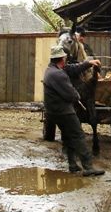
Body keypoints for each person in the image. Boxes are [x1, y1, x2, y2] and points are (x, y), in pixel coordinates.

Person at [43, 45, 105, 176]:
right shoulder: (59, 75)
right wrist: (78, 95)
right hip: (63, 111)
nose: (66, 59)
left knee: (67, 136)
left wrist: (88, 63)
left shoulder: (53, 70)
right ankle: (88, 167)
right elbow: (72, 95)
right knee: (78, 135)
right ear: (61, 58)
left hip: (54, 111)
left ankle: (72, 164)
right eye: (65, 57)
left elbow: (72, 68)